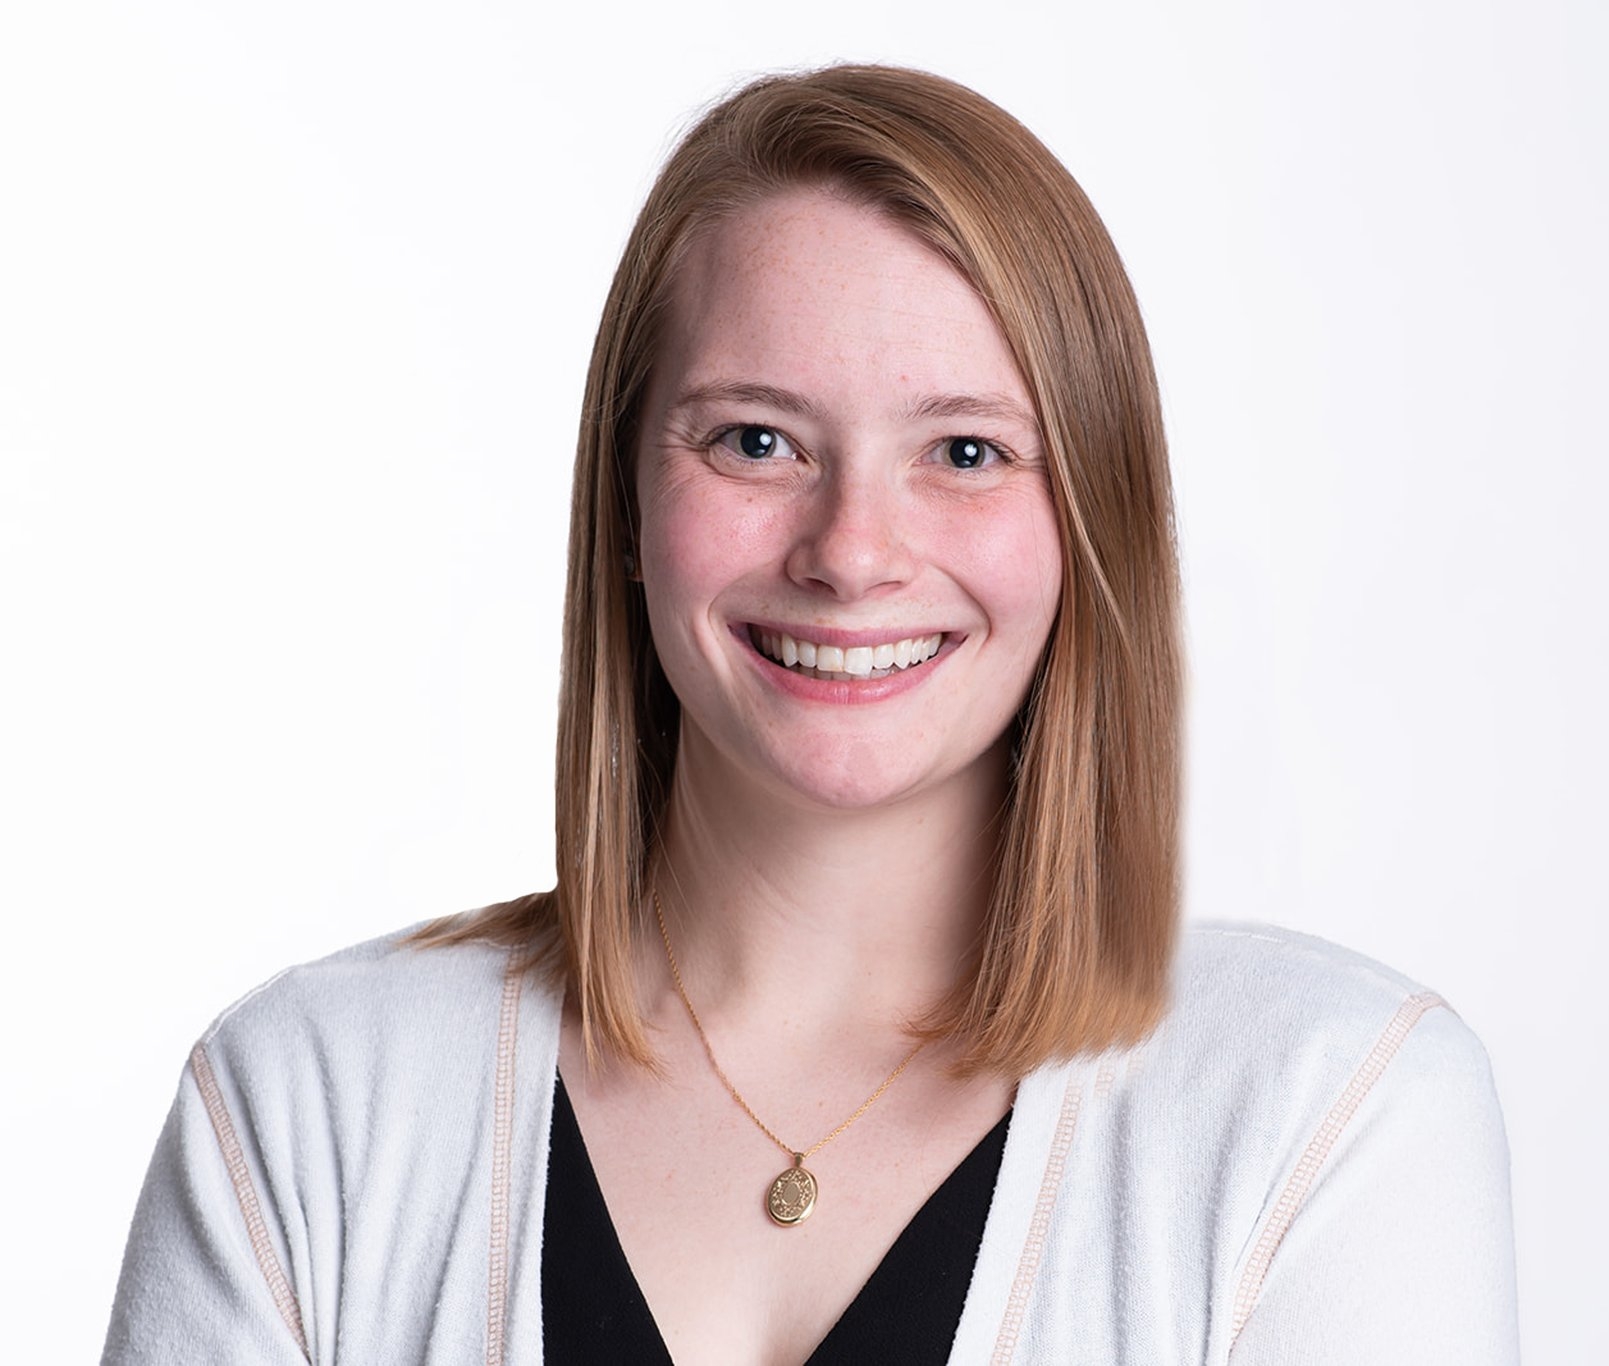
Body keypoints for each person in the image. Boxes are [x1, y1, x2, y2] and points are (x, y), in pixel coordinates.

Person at [102, 65, 1518, 1365]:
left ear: (1092, 526)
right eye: (756, 440)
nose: (851, 550)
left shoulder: (1326, 1120)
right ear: (625, 508)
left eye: (966, 450)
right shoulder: (305, 1110)